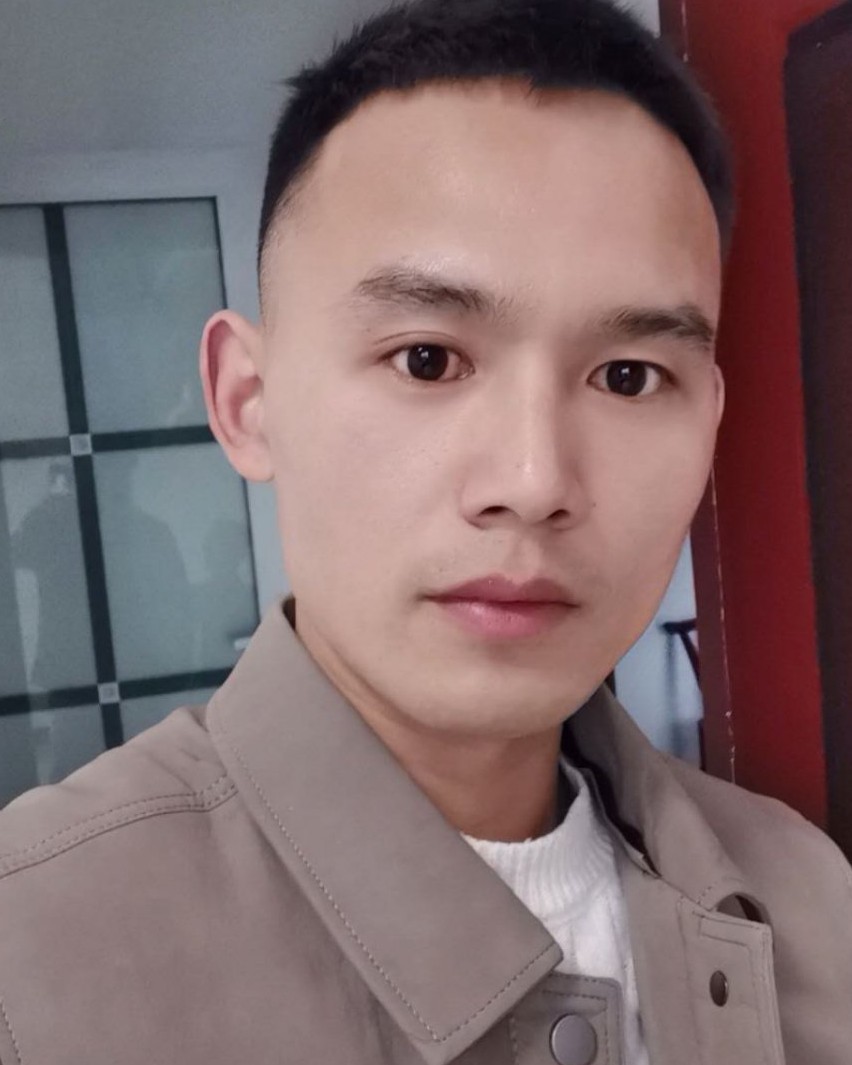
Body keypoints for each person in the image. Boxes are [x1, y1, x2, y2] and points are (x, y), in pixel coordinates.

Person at [0, 1, 849, 1062]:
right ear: (248, 401)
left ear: (707, 426)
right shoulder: (32, 962)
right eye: (428, 360)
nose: (534, 483)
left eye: (629, 377)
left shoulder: (808, 892)